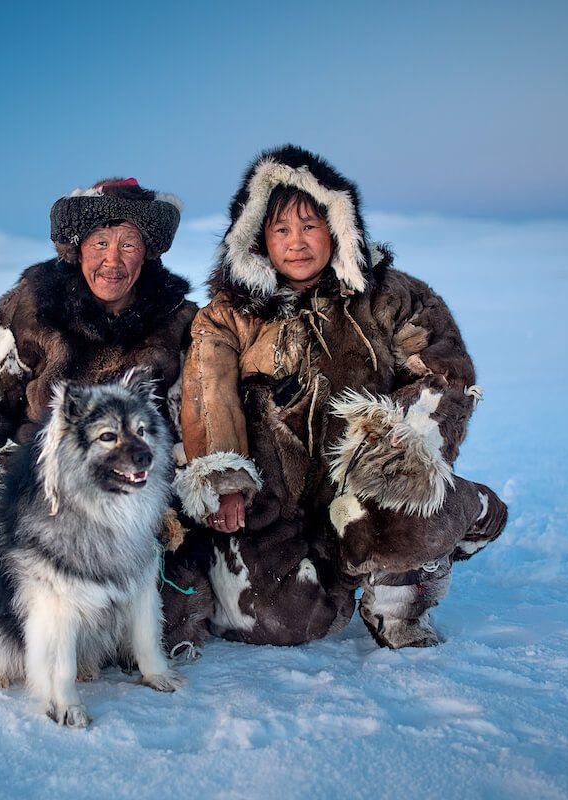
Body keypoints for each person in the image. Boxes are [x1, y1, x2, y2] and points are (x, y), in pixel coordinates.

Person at [174, 145, 507, 648]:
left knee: (406, 508)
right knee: (277, 621)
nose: (297, 243)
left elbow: (444, 375)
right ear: (257, 239)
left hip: (365, 484)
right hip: (275, 498)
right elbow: (207, 394)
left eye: (310, 225)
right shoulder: (228, 316)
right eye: (281, 229)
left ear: (337, 227)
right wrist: (224, 476)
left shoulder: (391, 296)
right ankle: (346, 568)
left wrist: (402, 454)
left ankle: (424, 562)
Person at [0, 177, 212, 646]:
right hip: (33, 484)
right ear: (78, 248)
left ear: (148, 252)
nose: (112, 261)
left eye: (127, 244)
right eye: (100, 242)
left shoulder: (177, 324)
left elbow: (188, 425)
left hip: (128, 496)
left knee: (169, 609)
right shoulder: (34, 309)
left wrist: (172, 504)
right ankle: (19, 618)